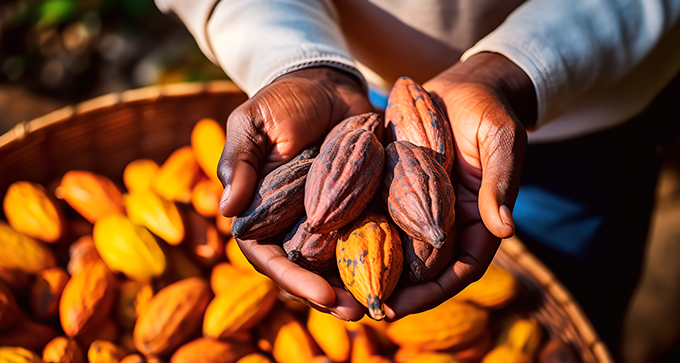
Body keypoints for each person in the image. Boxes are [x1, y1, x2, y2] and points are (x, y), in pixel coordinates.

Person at [156, 0, 680, 357]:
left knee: (577, 308)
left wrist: (517, 66)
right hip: (347, 81)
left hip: (589, 106)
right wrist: (293, 59)